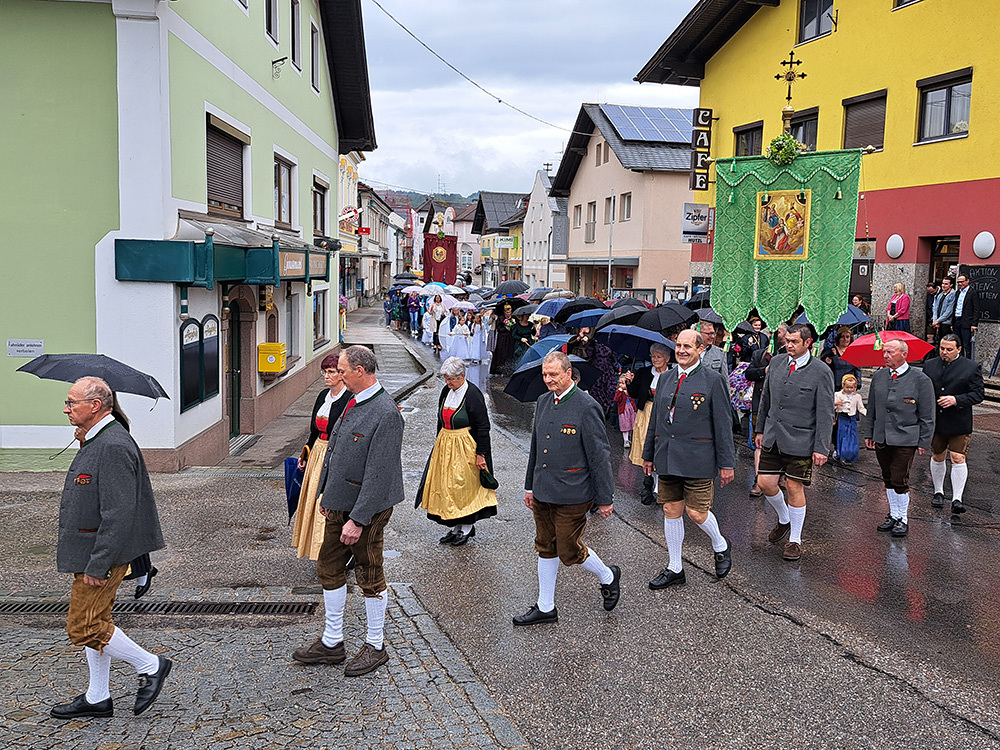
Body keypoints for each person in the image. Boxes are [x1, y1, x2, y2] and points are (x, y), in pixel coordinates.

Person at [51, 377, 170, 720]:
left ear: (95, 406)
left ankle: (151, 665)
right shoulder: (98, 439)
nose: (66, 408)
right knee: (99, 620)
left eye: (72, 402)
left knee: (84, 626)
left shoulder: (113, 445)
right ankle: (98, 697)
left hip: (102, 554)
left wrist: (98, 564)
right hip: (91, 550)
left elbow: (118, 514)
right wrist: (84, 443)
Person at [292, 346, 404, 677]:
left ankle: (375, 645)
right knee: (328, 566)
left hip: (366, 509)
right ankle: (332, 642)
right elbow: (336, 450)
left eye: (342, 370)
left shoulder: (386, 413)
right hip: (339, 502)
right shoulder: (353, 400)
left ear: (360, 371)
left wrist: (357, 519)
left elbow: (379, 474)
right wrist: (327, 493)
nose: (338, 376)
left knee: (369, 573)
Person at [514, 351, 621, 625]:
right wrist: (529, 486)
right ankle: (545, 606)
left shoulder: (587, 406)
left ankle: (607, 575)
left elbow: (599, 456)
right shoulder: (543, 401)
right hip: (543, 489)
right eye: (545, 375)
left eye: (553, 374)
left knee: (569, 550)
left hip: (573, 492)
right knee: (545, 545)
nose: (548, 379)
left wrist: (605, 498)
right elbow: (536, 447)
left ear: (568, 373)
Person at [642, 329, 736, 588]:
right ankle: (675, 568)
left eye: (688, 347)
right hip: (667, 455)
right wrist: (648, 454)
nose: (682, 351)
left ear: (700, 349)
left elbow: (723, 424)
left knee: (696, 513)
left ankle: (720, 544)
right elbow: (655, 420)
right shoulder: (666, 378)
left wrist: (727, 463)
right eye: (678, 346)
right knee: (671, 509)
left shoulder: (713, 380)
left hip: (699, 458)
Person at [754, 323, 835, 561]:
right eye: (787, 340)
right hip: (773, 435)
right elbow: (766, 399)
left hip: (801, 439)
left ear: (808, 343)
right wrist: (760, 429)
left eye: (794, 342)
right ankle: (784, 519)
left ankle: (795, 540)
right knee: (765, 483)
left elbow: (825, 412)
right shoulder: (777, 363)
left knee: (793, 486)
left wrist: (821, 447)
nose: (788, 345)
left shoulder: (821, 371)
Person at [416, 358, 498, 545]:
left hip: (465, 446)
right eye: (446, 379)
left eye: (451, 379)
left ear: (462, 375)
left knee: (464, 487)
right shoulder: (446, 391)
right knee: (449, 487)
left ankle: (467, 527)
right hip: (446, 444)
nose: (448, 383)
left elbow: (483, 427)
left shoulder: (473, 394)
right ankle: (456, 527)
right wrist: (438, 443)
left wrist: (481, 454)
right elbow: (440, 419)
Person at [862, 339, 935, 537]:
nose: (885, 356)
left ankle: (902, 518)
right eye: (884, 352)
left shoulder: (921, 380)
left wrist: (924, 441)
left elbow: (927, 414)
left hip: (906, 437)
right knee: (887, 477)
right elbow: (872, 408)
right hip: (882, 436)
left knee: (899, 477)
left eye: (890, 352)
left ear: (904, 354)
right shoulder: (879, 376)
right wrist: (869, 433)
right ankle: (893, 515)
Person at [292, 353, 352, 560]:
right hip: (318, 452)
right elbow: (314, 431)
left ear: (341, 374)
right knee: (313, 500)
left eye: (331, 372)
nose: (326, 376)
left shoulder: (349, 399)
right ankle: (316, 548)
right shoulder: (322, 396)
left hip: (335, 453)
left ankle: (337, 552)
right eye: (324, 372)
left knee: (328, 500)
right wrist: (305, 453)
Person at [924, 334, 984, 514]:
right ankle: (938, 492)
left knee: (958, 457)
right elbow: (924, 390)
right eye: (942, 348)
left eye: (949, 349)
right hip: (937, 419)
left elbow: (978, 394)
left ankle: (957, 498)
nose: (944, 352)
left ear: (959, 349)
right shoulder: (929, 365)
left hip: (959, 420)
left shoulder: (971, 367)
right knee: (938, 455)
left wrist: (956, 399)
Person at [626, 343, 673, 505]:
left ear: (667, 358)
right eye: (653, 356)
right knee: (646, 446)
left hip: (664, 413)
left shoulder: (673, 374)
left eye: (659, 357)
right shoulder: (644, 372)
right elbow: (634, 393)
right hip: (646, 412)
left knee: (661, 447)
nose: (655, 359)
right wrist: (629, 382)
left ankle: (660, 486)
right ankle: (649, 480)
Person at [745, 322, 785, 497]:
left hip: (780, 407)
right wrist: (764, 370)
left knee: (780, 442)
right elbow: (748, 374)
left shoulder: (788, 357)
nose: (775, 334)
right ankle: (759, 480)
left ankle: (781, 476)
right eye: (773, 331)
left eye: (779, 331)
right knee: (759, 442)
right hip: (760, 405)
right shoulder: (759, 354)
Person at [833, 374, 866, 462]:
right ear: (843, 386)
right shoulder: (838, 394)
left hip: (852, 419)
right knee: (843, 436)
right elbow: (832, 407)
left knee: (852, 436)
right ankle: (842, 453)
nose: (849, 389)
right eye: (847, 387)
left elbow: (861, 408)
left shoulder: (857, 396)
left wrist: (868, 415)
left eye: (852, 388)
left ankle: (851, 454)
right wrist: (836, 403)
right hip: (842, 417)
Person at [954, 273, 982, 357]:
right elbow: (955, 306)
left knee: (967, 345)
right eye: (958, 282)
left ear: (967, 281)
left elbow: (976, 309)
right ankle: (960, 360)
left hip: (967, 322)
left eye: (962, 282)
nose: (960, 284)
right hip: (957, 321)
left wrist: (974, 324)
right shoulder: (958, 292)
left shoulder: (972, 293)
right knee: (958, 345)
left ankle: (968, 362)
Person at [489, 302, 517, 375]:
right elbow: (498, 328)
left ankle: (509, 368)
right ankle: (499, 368)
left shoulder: (513, 318)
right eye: (507, 312)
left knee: (510, 352)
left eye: (509, 312)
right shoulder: (501, 318)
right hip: (502, 337)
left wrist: (512, 326)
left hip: (510, 338)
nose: (508, 314)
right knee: (501, 353)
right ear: (504, 312)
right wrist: (505, 327)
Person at [614, 375, 637, 448]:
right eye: (620, 383)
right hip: (623, 410)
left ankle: (629, 438)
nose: (621, 385)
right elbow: (616, 399)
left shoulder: (630, 391)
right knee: (625, 425)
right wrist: (620, 391)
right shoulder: (619, 391)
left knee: (631, 424)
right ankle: (626, 440)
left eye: (623, 383)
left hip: (631, 409)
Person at [932, 276, 956, 342]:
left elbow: (949, 311)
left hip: (946, 323)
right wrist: (935, 320)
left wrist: (938, 321)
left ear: (951, 285)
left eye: (946, 284)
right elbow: (935, 307)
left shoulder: (953, 294)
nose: (943, 285)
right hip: (938, 323)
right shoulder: (940, 294)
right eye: (943, 283)